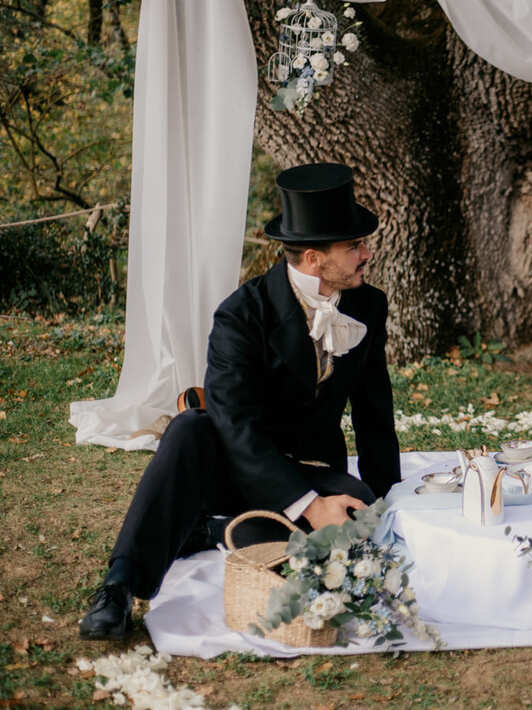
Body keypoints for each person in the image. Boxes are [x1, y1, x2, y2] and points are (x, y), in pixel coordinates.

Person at [79, 163, 401, 640]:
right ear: (313, 258)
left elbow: (374, 409)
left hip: (311, 463)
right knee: (189, 429)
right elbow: (234, 426)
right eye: (353, 246)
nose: (366, 254)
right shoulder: (241, 314)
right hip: (234, 464)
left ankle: (211, 532)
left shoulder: (367, 305)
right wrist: (309, 507)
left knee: (359, 513)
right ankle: (120, 585)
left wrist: (389, 500)